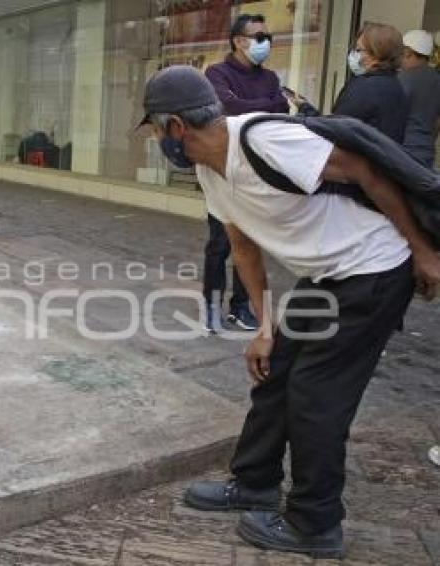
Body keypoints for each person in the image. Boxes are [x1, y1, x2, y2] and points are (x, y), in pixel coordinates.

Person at [139, 66, 440, 559]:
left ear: (176, 128)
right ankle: (254, 483)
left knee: (315, 392)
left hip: (374, 267)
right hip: (325, 275)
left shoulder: (267, 141)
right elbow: (243, 247)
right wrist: (263, 326)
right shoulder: (210, 172)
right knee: (277, 370)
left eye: (154, 128)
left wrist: (422, 249)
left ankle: (314, 523)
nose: (155, 139)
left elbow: (368, 171)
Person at [200, 14, 288, 333]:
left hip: (256, 171)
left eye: (267, 36)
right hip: (222, 168)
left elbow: (283, 110)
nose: (266, 42)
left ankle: (241, 307)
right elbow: (229, 107)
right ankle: (211, 307)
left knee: (249, 241)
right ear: (238, 40)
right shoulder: (216, 73)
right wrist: (267, 106)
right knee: (220, 244)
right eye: (259, 36)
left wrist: (256, 105)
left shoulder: (269, 77)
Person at [289, 23, 408, 143]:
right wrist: (307, 109)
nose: (354, 54)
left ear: (376, 55)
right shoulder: (396, 86)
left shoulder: (364, 87)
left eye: (358, 50)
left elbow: (335, 133)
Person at [399, 29, 440, 168]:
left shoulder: (402, 79)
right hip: (426, 151)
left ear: (408, 53)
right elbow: (437, 123)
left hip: (402, 150)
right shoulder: (437, 80)